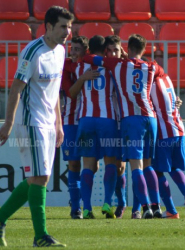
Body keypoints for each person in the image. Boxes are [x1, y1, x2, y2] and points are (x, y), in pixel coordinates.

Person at [0, 6, 74, 247]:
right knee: (40, 177)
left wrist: (58, 123)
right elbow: (16, 87)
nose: (67, 31)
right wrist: (8, 123)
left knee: (39, 178)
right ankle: (40, 236)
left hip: (48, 123)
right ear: (48, 26)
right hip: (30, 122)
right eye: (63, 26)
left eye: (69, 26)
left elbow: (55, 90)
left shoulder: (61, 52)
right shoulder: (33, 51)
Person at [82, 34, 164, 219]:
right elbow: (163, 75)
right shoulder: (151, 66)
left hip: (131, 119)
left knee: (136, 167)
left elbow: (88, 58)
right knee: (149, 166)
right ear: (144, 49)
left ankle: (144, 208)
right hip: (150, 118)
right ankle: (156, 205)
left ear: (126, 48)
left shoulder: (117, 65)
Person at [70, 35, 119, 219]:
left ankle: (88, 208)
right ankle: (107, 202)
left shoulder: (81, 67)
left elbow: (73, 93)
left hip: (86, 120)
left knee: (88, 166)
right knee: (110, 163)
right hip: (107, 120)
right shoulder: (112, 67)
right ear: (105, 49)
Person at [60, 35, 100, 219]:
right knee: (74, 163)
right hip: (70, 121)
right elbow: (70, 93)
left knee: (93, 166)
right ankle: (76, 207)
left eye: (77, 49)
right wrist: (83, 78)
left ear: (85, 51)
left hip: (89, 119)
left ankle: (84, 202)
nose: (73, 52)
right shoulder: (67, 66)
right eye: (72, 48)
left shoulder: (91, 64)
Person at [150, 74, 185, 219]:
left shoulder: (148, 84)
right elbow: (175, 100)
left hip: (163, 133)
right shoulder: (166, 79)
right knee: (174, 168)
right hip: (179, 129)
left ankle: (171, 210)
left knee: (158, 172)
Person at [103, 35, 127, 219]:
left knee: (121, 167)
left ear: (121, 51)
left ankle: (123, 200)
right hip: (109, 121)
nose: (112, 53)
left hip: (125, 121)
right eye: (109, 50)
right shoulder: (102, 67)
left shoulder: (128, 67)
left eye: (115, 50)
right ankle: (111, 202)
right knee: (110, 164)